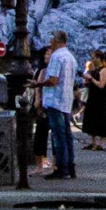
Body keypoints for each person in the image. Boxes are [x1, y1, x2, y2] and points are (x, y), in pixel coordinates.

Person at [35, 30, 78, 179]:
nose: (50, 41)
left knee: (58, 136)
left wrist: (38, 84)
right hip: (66, 100)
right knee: (67, 135)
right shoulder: (70, 57)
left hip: (54, 100)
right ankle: (70, 166)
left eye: (52, 38)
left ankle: (61, 168)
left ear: (57, 41)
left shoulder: (56, 56)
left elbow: (53, 80)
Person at [82, 50, 106, 149]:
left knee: (100, 118)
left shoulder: (104, 70)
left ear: (99, 59)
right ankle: (93, 141)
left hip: (100, 98)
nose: (92, 60)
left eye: (94, 58)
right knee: (91, 118)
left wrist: (91, 79)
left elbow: (101, 85)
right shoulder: (95, 69)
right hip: (92, 97)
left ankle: (101, 142)